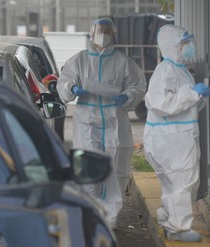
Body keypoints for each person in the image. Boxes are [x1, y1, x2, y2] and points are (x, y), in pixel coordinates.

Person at [57, 17, 147, 230]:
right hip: (86, 121)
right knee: (89, 169)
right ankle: (91, 215)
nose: (103, 35)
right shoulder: (79, 60)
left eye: (107, 31)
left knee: (117, 169)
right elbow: (64, 83)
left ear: (113, 34)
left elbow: (138, 85)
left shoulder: (122, 61)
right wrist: (72, 88)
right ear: (91, 33)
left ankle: (111, 218)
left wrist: (127, 97)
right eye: (100, 30)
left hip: (115, 118)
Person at [143, 24, 210, 242]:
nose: (188, 46)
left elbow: (184, 106)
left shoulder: (178, 69)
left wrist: (197, 96)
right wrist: (192, 93)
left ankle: (170, 222)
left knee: (173, 183)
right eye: (184, 42)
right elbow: (159, 103)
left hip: (175, 135)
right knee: (182, 182)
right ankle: (179, 229)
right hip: (172, 138)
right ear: (172, 46)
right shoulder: (166, 70)